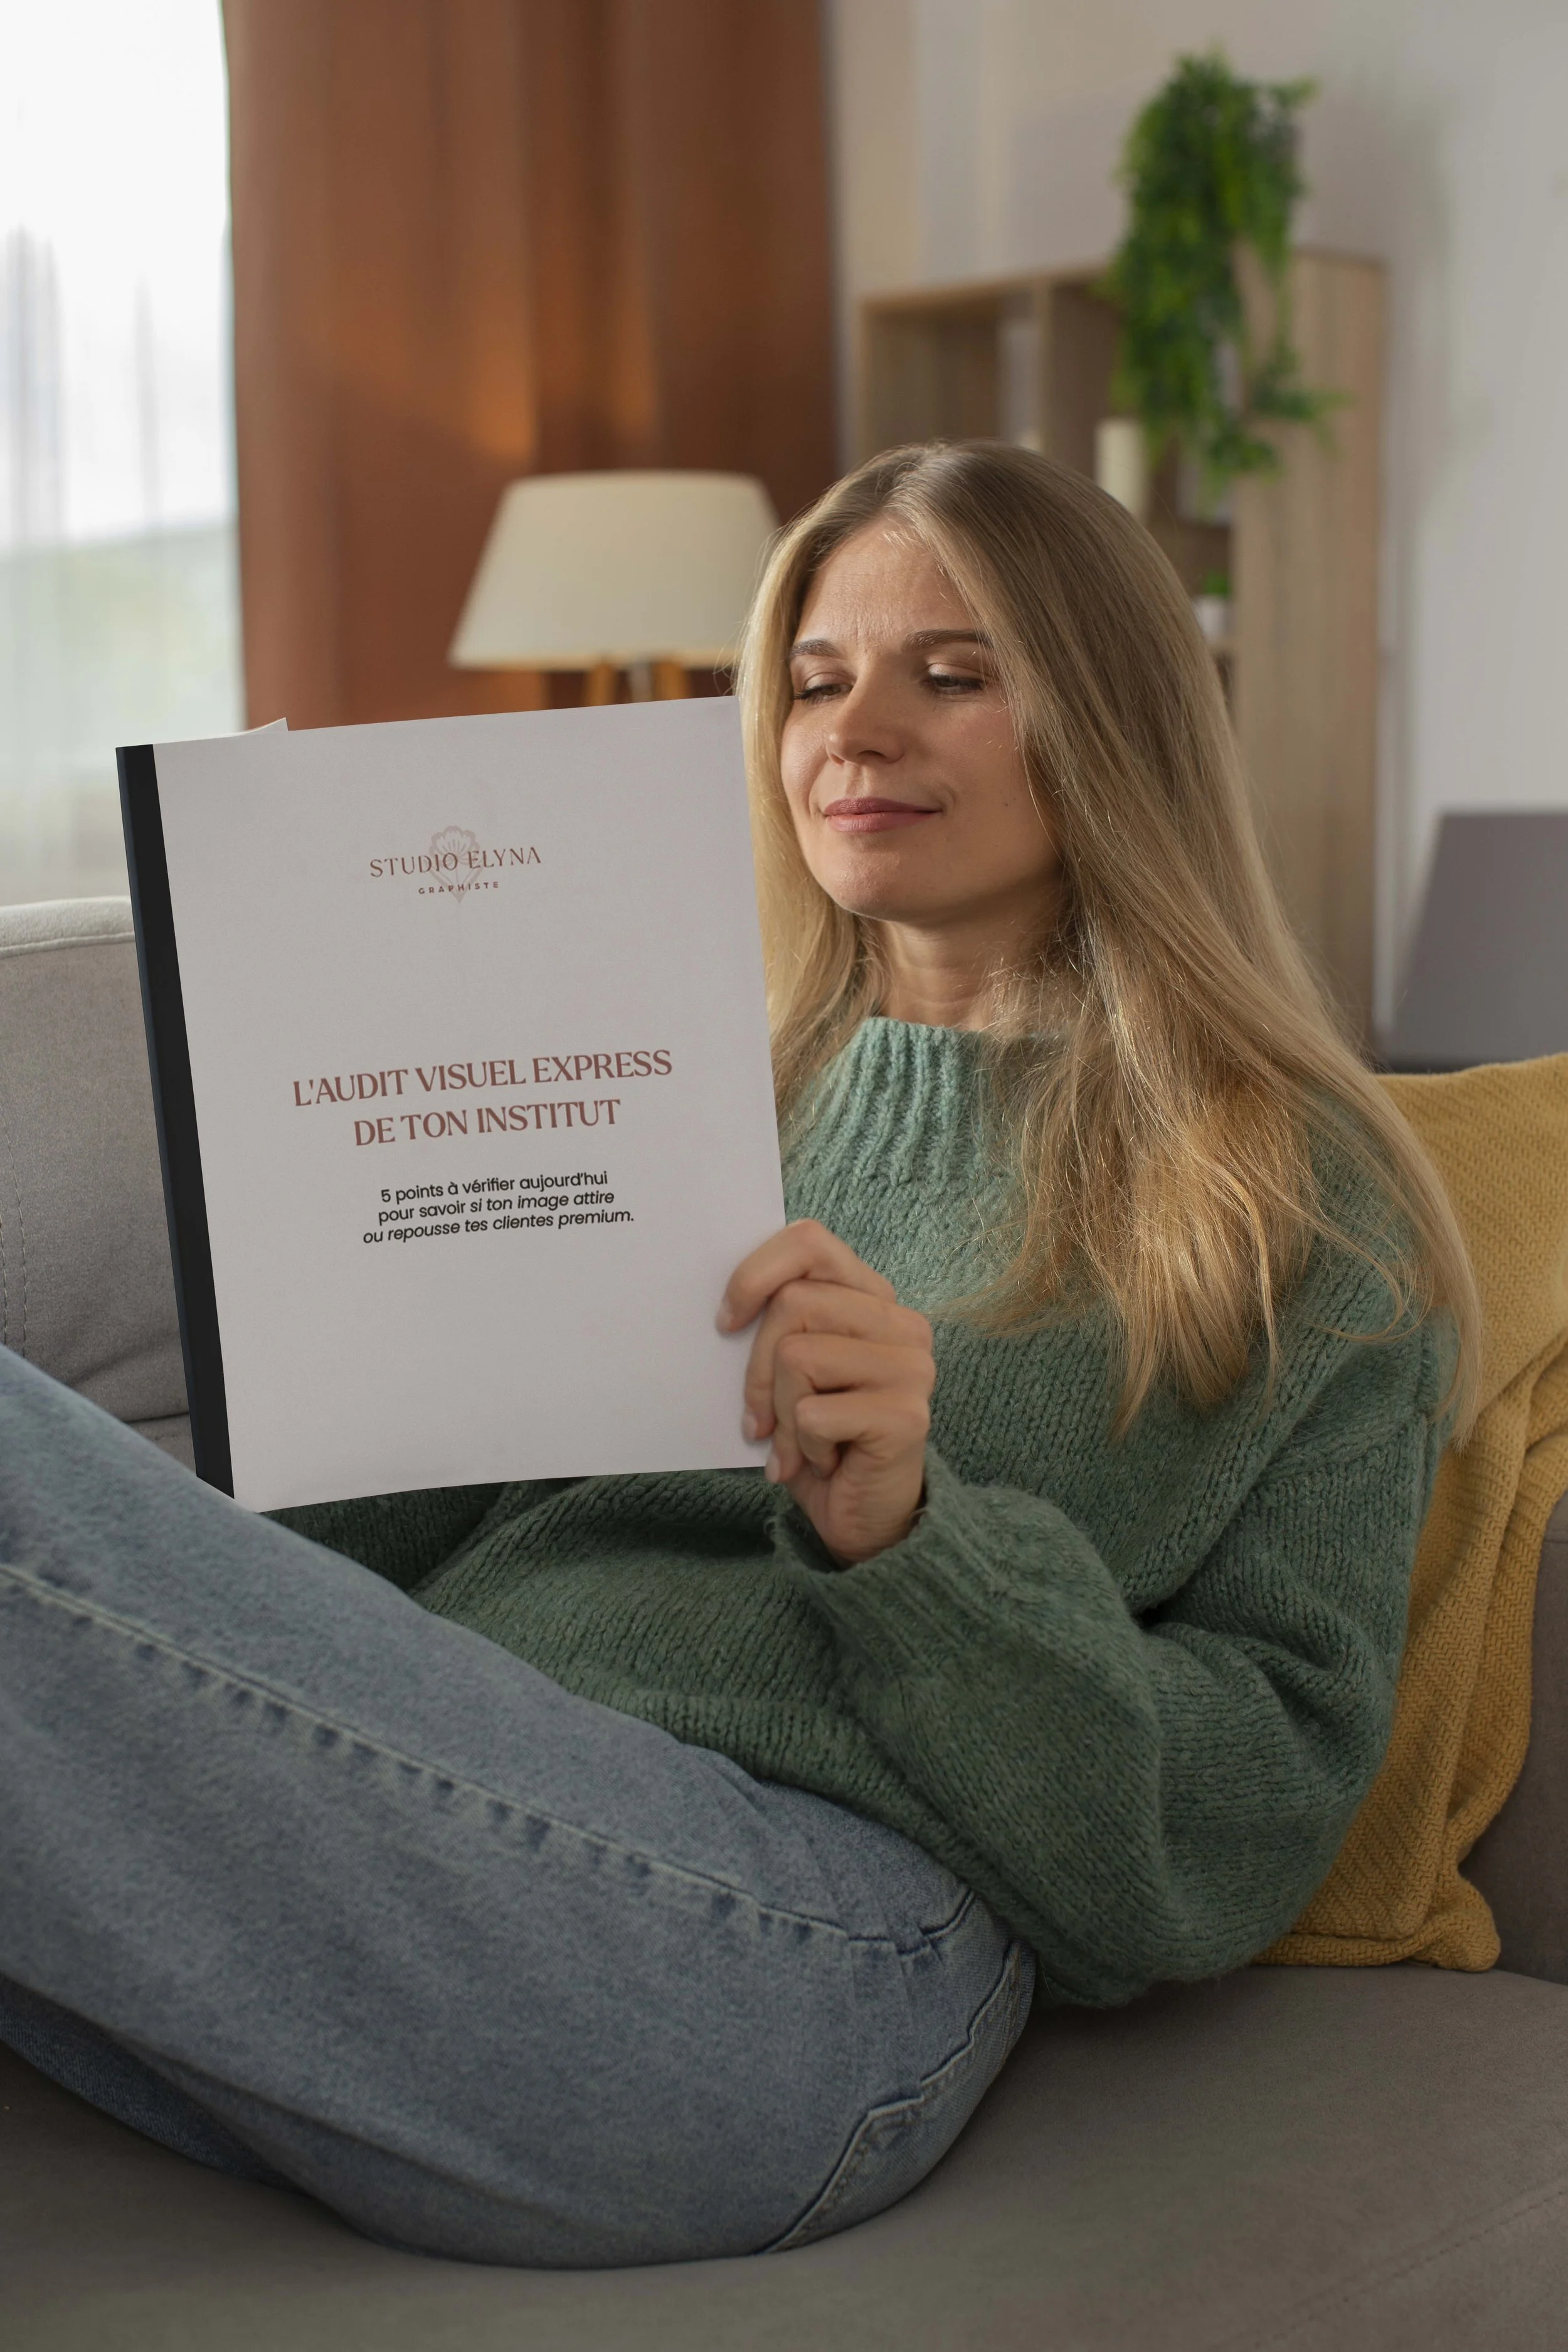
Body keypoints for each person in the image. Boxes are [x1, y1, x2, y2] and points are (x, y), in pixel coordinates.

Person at [0, 442, 1478, 2269]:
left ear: (1111, 711)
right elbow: (360, 1566)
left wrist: (913, 1542)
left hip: (798, 1952)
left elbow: (1243, 1823)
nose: (855, 733)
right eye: (810, 680)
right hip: (452, 1827)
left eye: (954, 672)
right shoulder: (689, 1079)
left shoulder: (1299, 1211)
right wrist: (320, 1289)